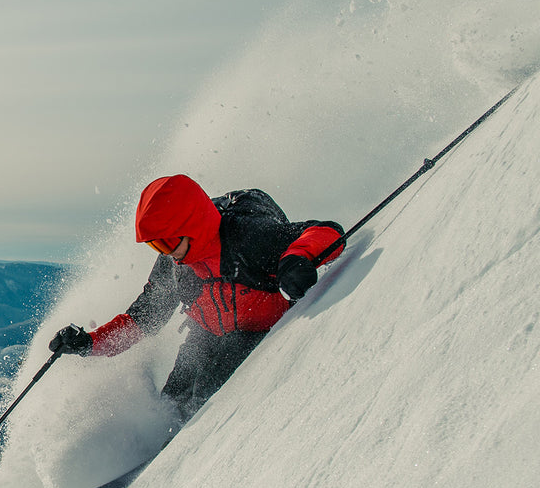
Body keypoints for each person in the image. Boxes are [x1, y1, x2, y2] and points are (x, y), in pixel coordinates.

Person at [48, 174, 344, 420]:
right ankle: (169, 452)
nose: (166, 254)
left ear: (192, 226)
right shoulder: (175, 265)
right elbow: (142, 320)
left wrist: (296, 259)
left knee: (207, 394)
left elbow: (327, 232)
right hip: (207, 334)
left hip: (261, 331)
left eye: (167, 243)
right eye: (155, 246)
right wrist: (89, 343)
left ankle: (199, 454)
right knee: (171, 402)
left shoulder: (248, 237)